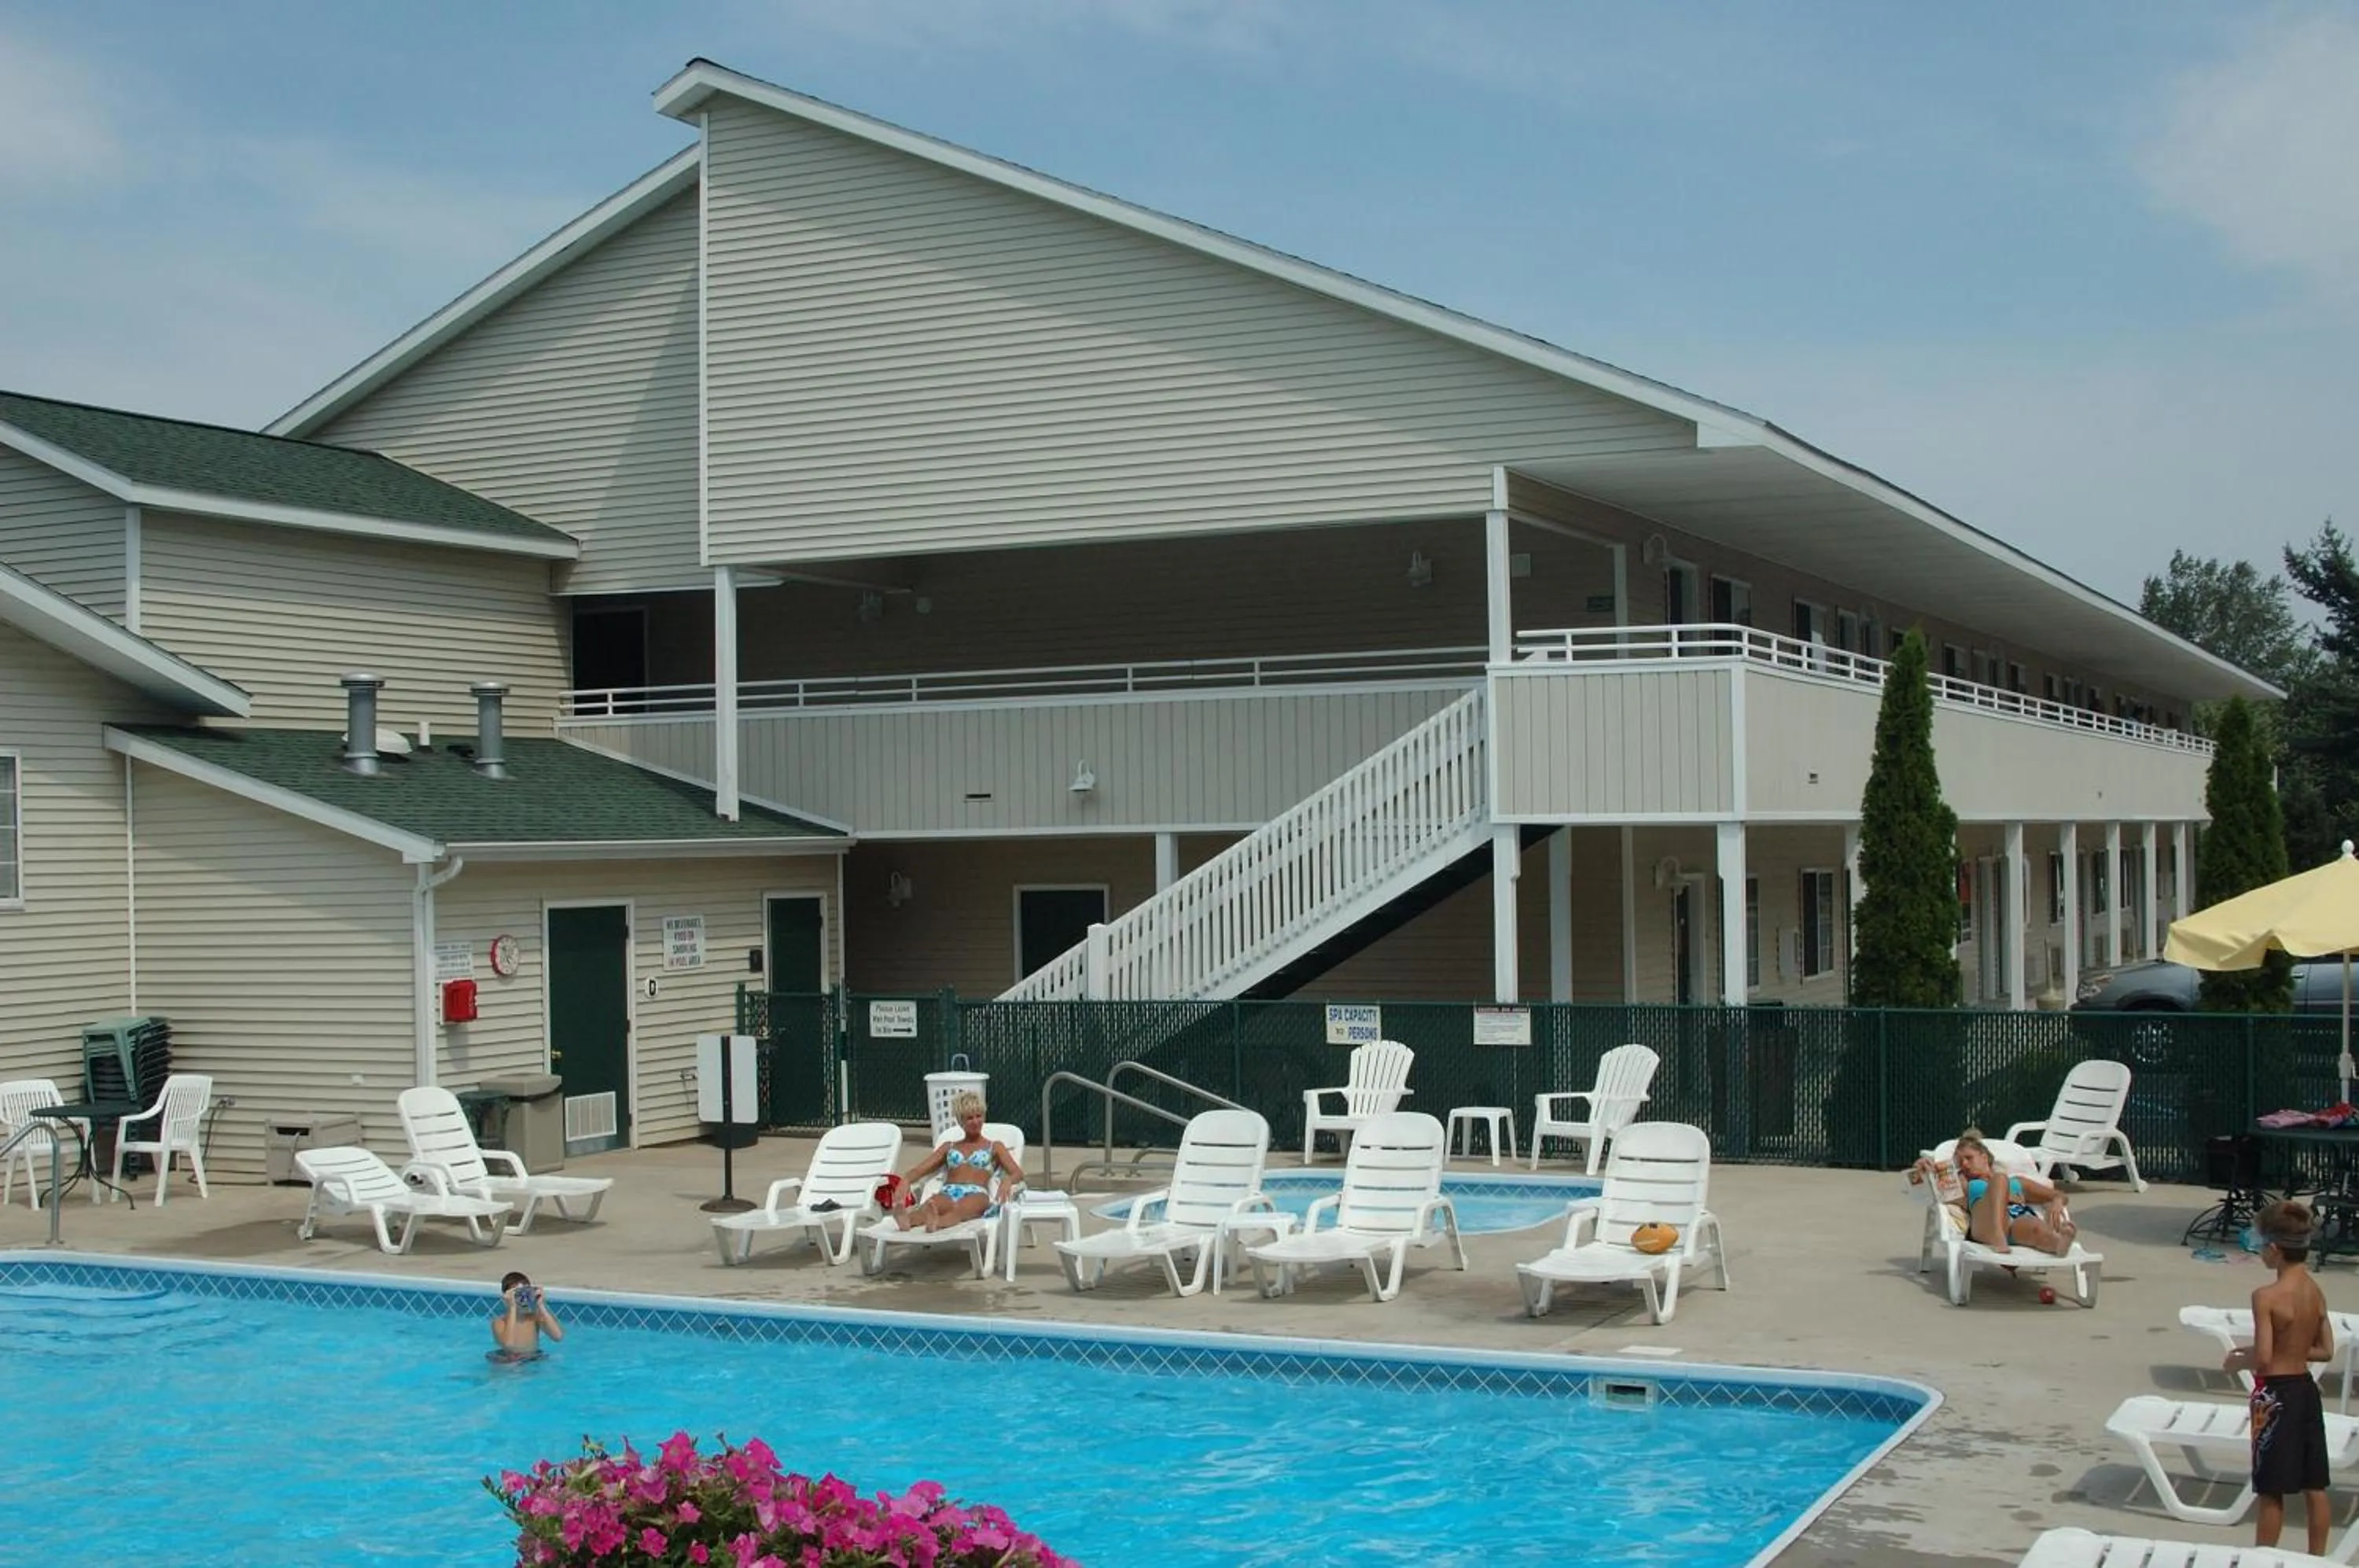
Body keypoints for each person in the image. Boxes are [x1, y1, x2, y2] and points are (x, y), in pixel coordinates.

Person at [2226, 1201, 2335, 1554]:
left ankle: (2262, 1559)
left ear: (2274, 1250)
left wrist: (2238, 1360)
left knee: (2270, 1488)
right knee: (2314, 1485)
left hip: (2274, 1396)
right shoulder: (2315, 1292)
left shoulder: (2266, 1297)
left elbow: (2266, 1357)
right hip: (2305, 1391)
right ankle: (2317, 1559)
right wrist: (2292, 1349)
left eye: (2260, 1247)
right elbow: (2325, 1350)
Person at [889, 1091, 1021, 1231]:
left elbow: (1017, 1172)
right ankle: (907, 1221)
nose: (976, 1121)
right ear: (960, 1121)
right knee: (931, 1205)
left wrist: (1008, 1181)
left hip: (977, 1192)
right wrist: (906, 1180)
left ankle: (937, 1223)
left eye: (979, 1116)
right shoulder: (949, 1146)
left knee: (961, 1210)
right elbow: (921, 1169)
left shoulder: (995, 1146)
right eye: (970, 1118)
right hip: (949, 1191)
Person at [1943, 1132, 2077, 1256]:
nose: (1965, 1164)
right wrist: (1929, 1168)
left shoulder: (2017, 1182)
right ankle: (1998, 1234)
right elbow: (1945, 1193)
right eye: (1960, 1162)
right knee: (2000, 1179)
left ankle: (2059, 1243)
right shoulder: (1966, 1183)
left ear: (1984, 1157)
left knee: (2036, 1228)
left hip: (2014, 1221)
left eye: (1969, 1158)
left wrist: (2057, 1201)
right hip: (1985, 1225)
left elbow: (2058, 1195)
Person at [490, 1270, 564, 1362]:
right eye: (517, 1294)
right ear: (506, 1297)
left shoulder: (533, 1318)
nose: (523, 1298)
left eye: (526, 1293)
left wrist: (541, 1305)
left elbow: (558, 1337)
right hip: (509, 1361)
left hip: (532, 1358)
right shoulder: (499, 1322)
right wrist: (512, 1307)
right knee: (512, 1368)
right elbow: (509, 1345)